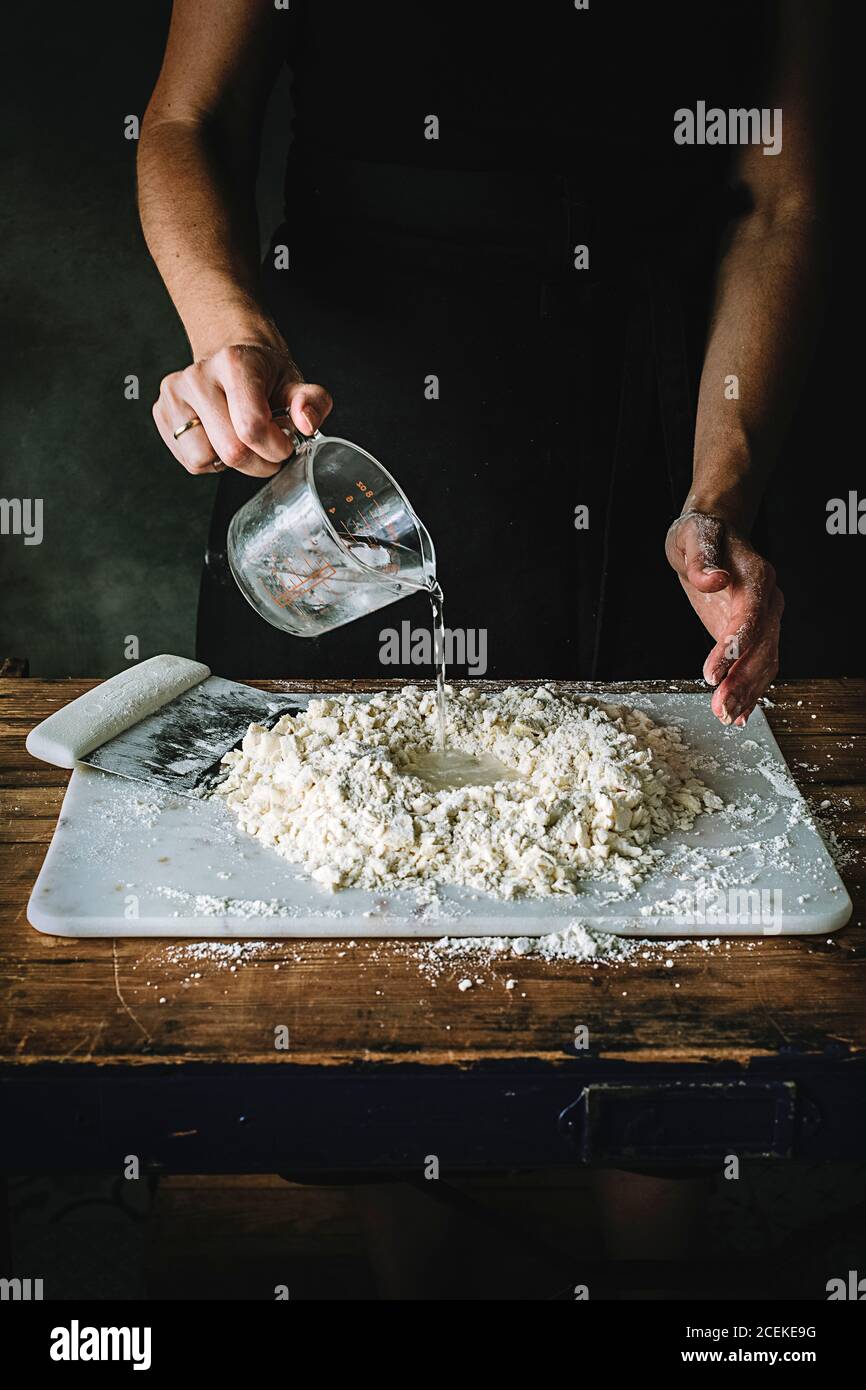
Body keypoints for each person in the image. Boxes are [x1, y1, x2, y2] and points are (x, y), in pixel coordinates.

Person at [137, 0, 826, 1297]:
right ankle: (415, 1259)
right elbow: (185, 119)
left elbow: (778, 198)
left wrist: (717, 494)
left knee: (666, 888)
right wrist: (225, 327)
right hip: (343, 405)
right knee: (336, 883)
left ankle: (659, 1274)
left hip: (654, 400)